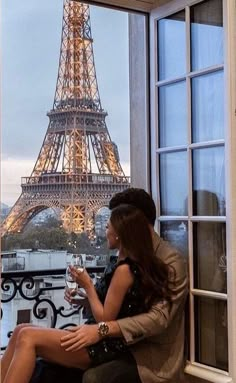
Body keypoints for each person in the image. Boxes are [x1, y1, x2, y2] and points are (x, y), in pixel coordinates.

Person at [1, 203, 174, 383]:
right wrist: (85, 301)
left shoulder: (124, 270)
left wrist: (88, 286)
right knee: (20, 330)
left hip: (102, 343)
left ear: (119, 234)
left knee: (27, 336)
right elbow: (117, 307)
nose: (104, 231)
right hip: (99, 338)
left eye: (108, 227)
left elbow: (105, 320)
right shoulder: (125, 264)